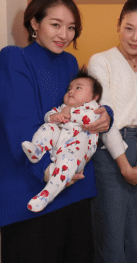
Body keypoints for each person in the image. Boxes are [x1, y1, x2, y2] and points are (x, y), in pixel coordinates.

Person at [0, 0, 112, 263]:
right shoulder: (13, 58)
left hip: (74, 187)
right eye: (55, 24)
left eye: (71, 27)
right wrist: (46, 171)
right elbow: (18, 126)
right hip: (29, 188)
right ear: (34, 23)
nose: (64, 35)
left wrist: (107, 116)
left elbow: (83, 102)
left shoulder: (69, 62)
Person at [87, 0, 137, 263]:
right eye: (129, 28)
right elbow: (104, 116)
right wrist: (124, 166)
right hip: (111, 151)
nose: (135, 37)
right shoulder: (101, 61)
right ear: (118, 25)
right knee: (111, 240)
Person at [22, 71, 102, 212]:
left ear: (94, 97)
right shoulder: (62, 107)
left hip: (75, 152)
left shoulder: (94, 108)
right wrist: (53, 117)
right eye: (69, 88)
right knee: (48, 127)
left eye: (78, 88)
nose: (71, 91)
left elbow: (89, 119)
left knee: (67, 162)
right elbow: (48, 114)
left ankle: (46, 195)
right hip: (56, 146)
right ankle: (38, 150)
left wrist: (69, 112)